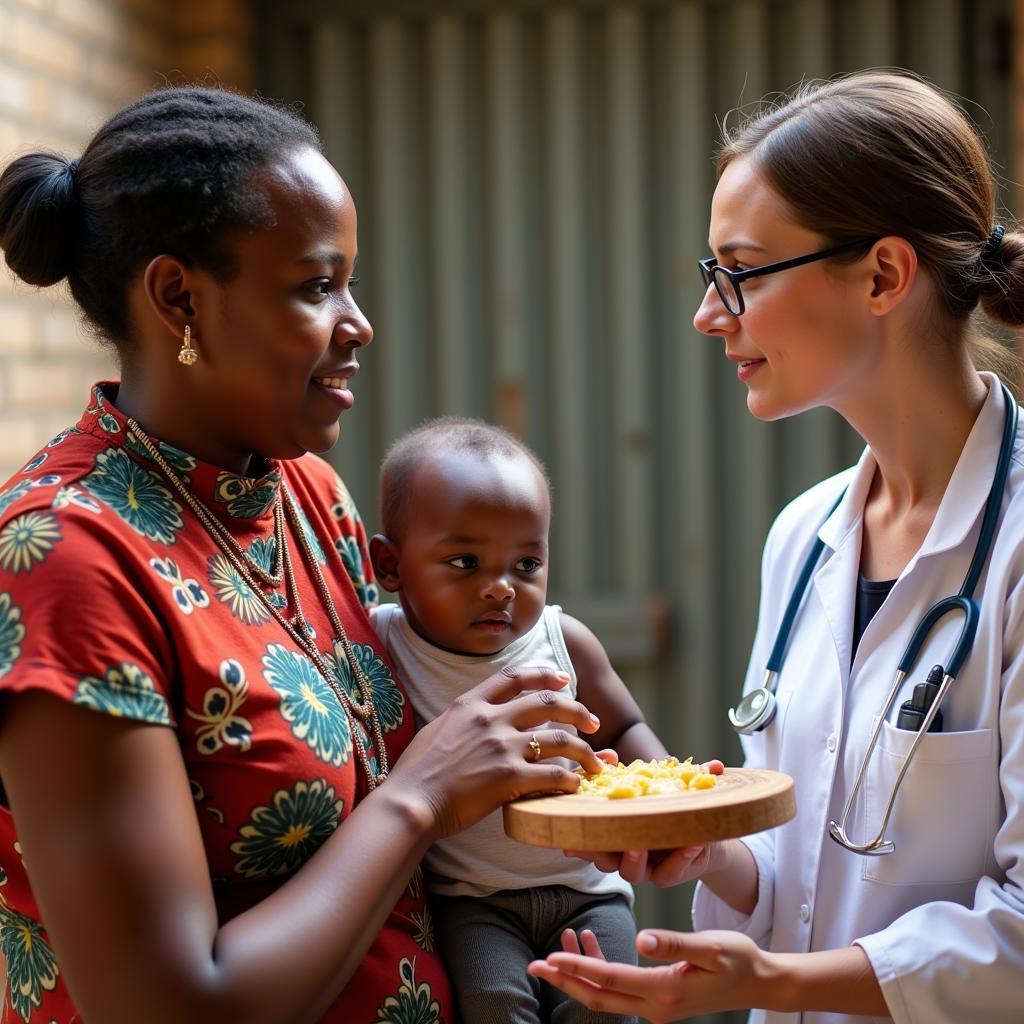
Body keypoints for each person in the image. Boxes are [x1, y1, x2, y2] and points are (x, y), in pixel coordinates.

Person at [0, 87, 610, 1024]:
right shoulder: (66, 559)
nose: (358, 323)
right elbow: (167, 1007)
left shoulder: (305, 497)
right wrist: (421, 798)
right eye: (318, 286)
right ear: (178, 297)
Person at [528, 70, 1024, 1023]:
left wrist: (771, 982)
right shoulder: (803, 538)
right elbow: (808, 869)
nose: (710, 314)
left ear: (883, 275)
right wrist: (707, 852)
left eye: (741, 272)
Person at [368, 416, 686, 1024]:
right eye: (465, 562)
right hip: (472, 901)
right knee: (494, 1008)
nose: (501, 589)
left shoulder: (564, 643)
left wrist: (662, 801)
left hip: (587, 890)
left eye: (526, 565)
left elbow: (623, 729)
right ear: (390, 566)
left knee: (606, 1007)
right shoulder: (382, 643)